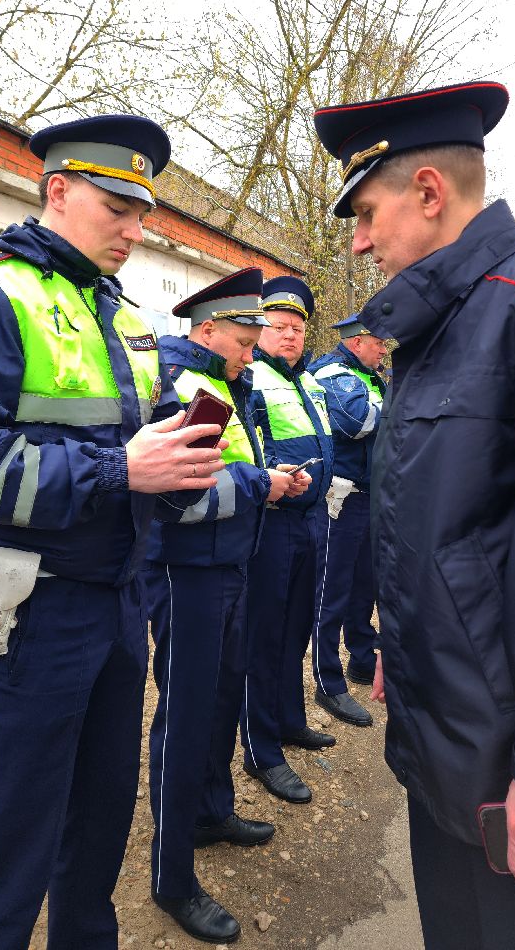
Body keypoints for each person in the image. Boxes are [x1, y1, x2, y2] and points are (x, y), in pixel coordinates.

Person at [0, 114, 227, 950]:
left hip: (119, 598)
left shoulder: (125, 315)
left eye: (142, 214)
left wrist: (178, 464)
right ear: (59, 189)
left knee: (103, 816)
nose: (134, 231)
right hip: (27, 610)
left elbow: (139, 441)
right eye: (117, 208)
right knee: (15, 839)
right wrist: (120, 472)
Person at [313, 81, 515, 950]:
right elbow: (450, 535)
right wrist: (404, 643)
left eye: (365, 213)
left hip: (513, 776)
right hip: (440, 743)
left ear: (427, 192)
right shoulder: (434, 328)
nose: (359, 241)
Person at [137, 268, 310, 945]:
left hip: (233, 564)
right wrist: (262, 484)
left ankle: (211, 812)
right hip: (188, 573)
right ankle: (171, 875)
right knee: (186, 716)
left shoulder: (233, 384)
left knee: (222, 699)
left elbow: (235, 466)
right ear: (207, 329)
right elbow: (178, 497)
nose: (251, 350)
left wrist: (267, 480)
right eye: (243, 340)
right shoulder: (179, 384)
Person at [241, 276, 335, 804]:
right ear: (260, 330)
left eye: (297, 328)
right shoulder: (250, 377)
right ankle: (261, 749)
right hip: (272, 522)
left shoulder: (310, 381)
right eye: (279, 327)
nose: (290, 335)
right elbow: (249, 448)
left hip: (312, 520)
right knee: (264, 634)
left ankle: (289, 719)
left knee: (297, 626)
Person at [308, 317, 387, 725]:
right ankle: (328, 682)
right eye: (378, 343)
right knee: (332, 591)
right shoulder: (332, 373)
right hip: (342, 498)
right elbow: (356, 423)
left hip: (370, 496)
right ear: (357, 342)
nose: (384, 350)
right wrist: (398, 407)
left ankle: (361, 659)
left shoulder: (370, 378)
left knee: (364, 587)